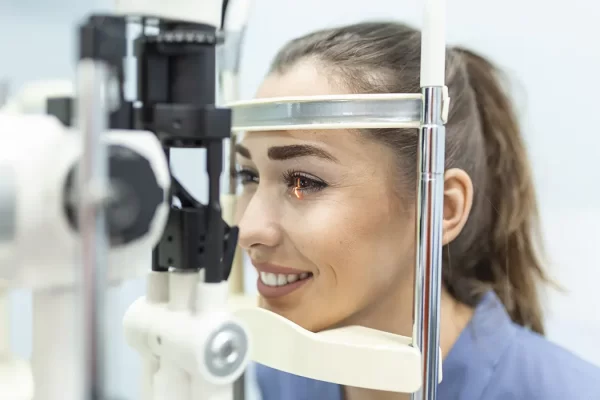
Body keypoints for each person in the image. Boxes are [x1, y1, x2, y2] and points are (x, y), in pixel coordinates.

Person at [233, 21, 600, 400]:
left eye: (303, 182)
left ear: (440, 208)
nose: (247, 229)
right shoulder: (285, 376)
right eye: (248, 175)